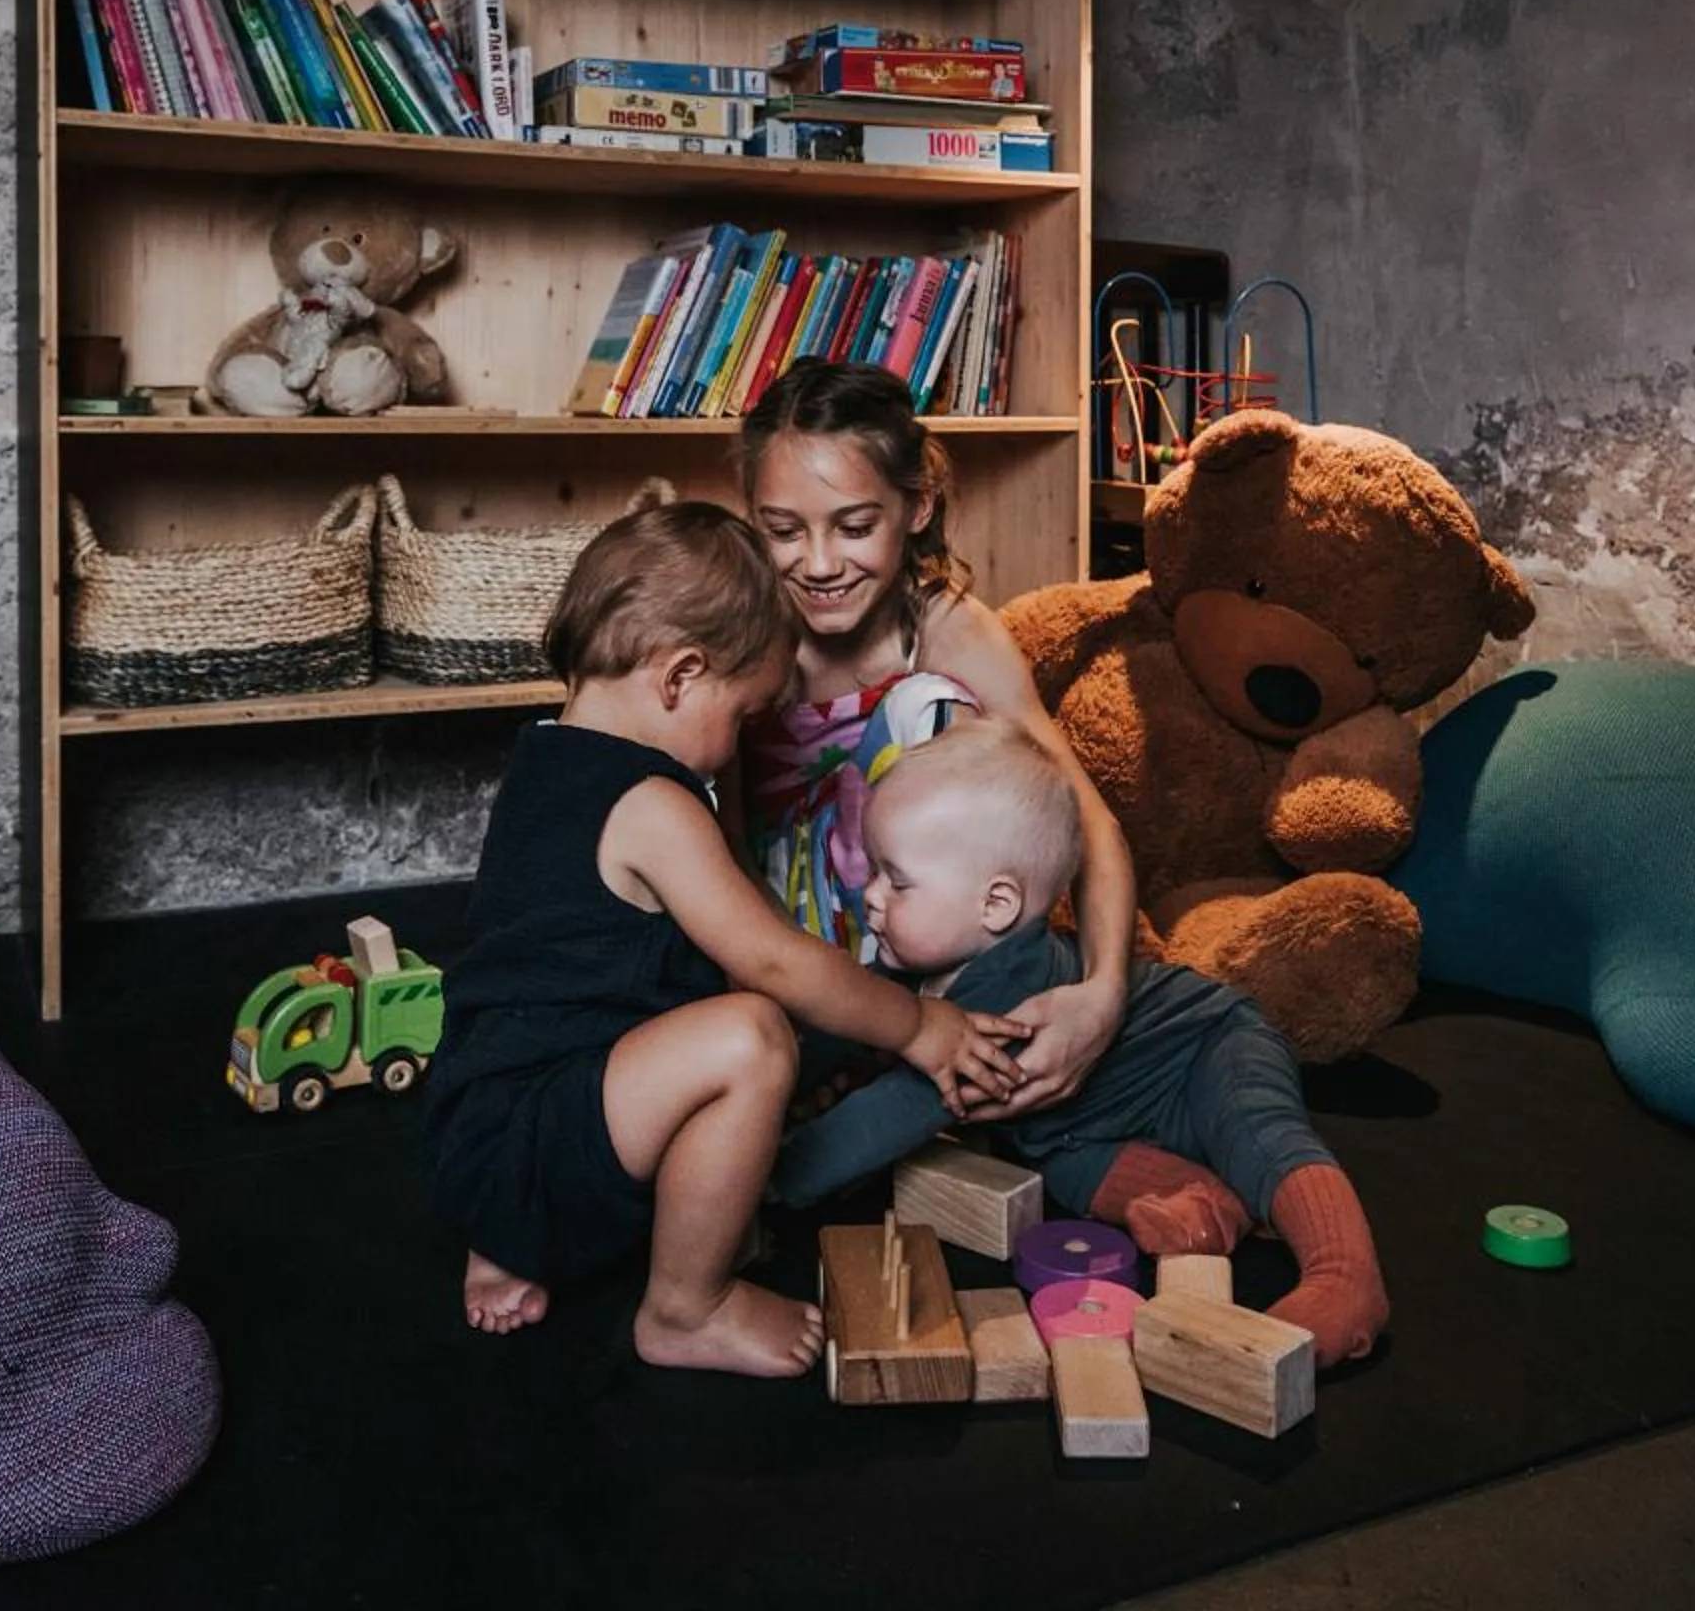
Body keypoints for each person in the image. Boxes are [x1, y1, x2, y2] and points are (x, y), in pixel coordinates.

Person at [419, 501, 1029, 1378]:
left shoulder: (546, 759)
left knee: (687, 1017)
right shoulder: (654, 804)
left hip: (479, 1130)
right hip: (532, 1140)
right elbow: (773, 960)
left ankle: (512, 1240)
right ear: (679, 677)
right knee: (749, 1036)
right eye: (742, 718)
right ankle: (685, 1309)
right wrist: (918, 1026)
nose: (735, 749)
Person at [737, 357, 1245, 1254]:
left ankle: (925, 1064)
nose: (817, 564)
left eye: (854, 526)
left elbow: (1084, 817)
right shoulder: (743, 624)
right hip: (781, 950)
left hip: (919, 933)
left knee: (942, 730)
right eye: (783, 529)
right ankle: (849, 1090)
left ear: (916, 509)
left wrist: (1102, 996)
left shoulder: (947, 626)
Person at [769, 717, 1390, 1364]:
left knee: (1256, 1132)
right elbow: (855, 1018)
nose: (869, 899)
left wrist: (776, 1175)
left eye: (895, 882)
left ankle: (1345, 1275)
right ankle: (1203, 1201)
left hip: (1203, 1045)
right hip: (1096, 1118)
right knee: (1065, 1160)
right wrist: (781, 1080)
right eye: (872, 872)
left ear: (997, 905)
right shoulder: (927, 962)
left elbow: (895, 1111)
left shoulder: (1005, 991)